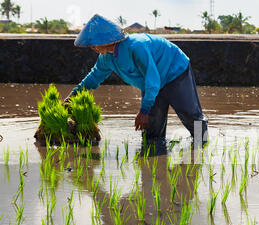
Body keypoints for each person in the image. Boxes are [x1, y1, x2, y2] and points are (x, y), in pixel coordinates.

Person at [65, 14, 208, 150]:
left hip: (174, 71)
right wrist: (72, 97)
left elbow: (152, 80)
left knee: (190, 114)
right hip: (151, 82)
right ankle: (154, 156)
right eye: (91, 46)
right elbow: (93, 77)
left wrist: (144, 110)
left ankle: (202, 146)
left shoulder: (137, 47)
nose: (93, 48)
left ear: (108, 40)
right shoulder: (106, 58)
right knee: (151, 128)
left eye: (95, 44)